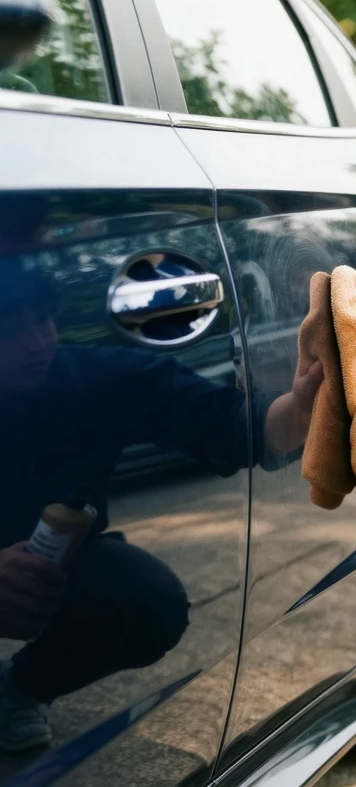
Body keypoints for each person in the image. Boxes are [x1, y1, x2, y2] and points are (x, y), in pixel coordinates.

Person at [0, 263, 323, 753]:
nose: (37, 341)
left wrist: (306, 407)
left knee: (147, 602)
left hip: (48, 566)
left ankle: (16, 691)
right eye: (12, 326)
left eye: (43, 319)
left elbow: (228, 424)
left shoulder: (87, 379)